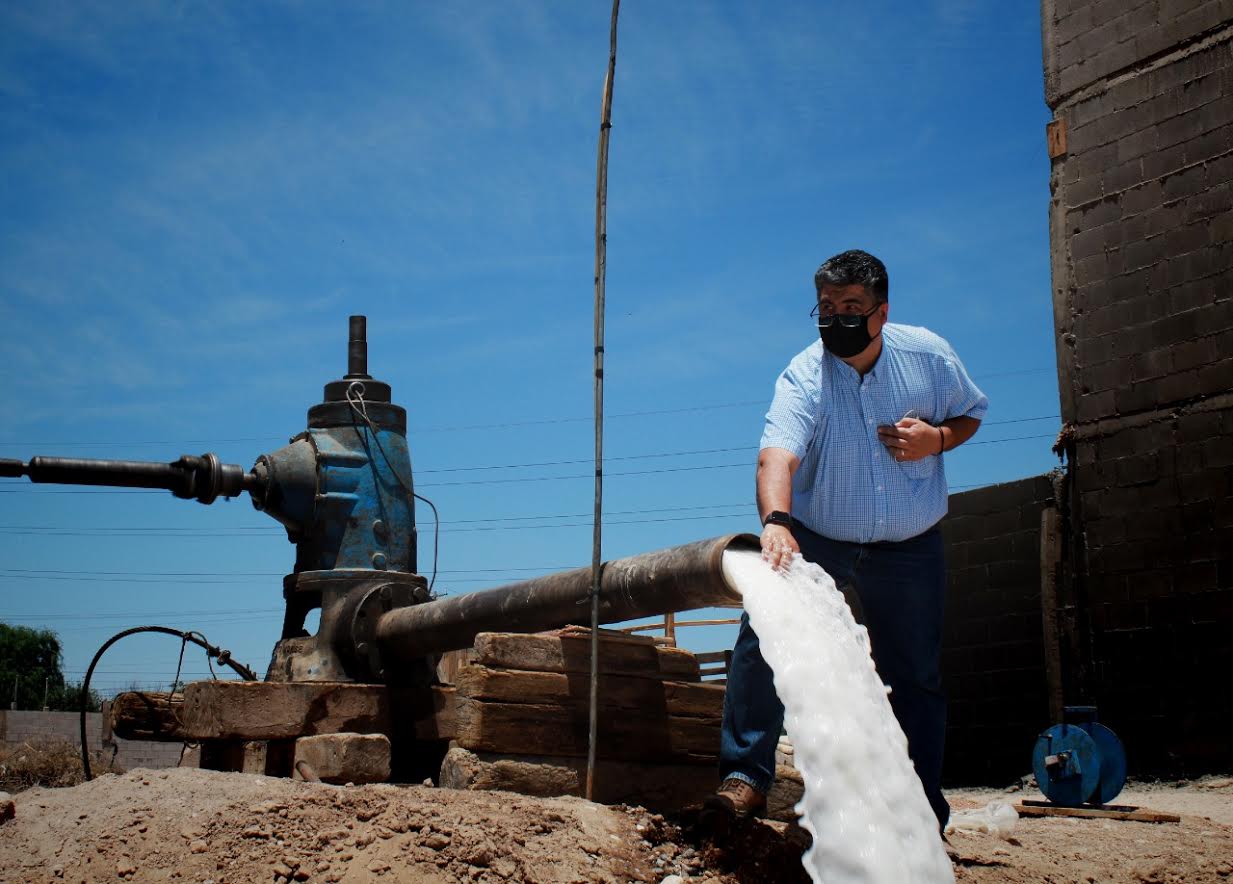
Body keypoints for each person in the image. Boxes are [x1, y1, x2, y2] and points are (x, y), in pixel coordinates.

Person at [709, 249, 987, 830]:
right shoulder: (804, 375)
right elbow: (775, 456)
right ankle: (745, 779)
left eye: (852, 306)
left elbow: (970, 413)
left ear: (881, 312)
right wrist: (777, 522)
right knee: (764, 634)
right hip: (818, 538)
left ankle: (919, 813)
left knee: (914, 675)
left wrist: (936, 439)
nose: (837, 318)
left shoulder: (929, 356)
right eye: (827, 307)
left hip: (910, 547)